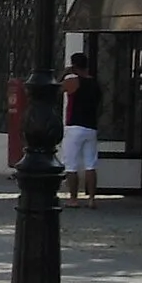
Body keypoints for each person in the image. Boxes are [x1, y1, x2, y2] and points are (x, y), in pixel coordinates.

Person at [62, 50, 101, 208]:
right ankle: (91, 198)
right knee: (90, 164)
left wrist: (64, 73)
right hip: (90, 127)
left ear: (74, 65)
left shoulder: (74, 81)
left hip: (74, 126)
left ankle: (73, 198)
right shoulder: (94, 83)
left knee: (71, 165)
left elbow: (54, 89)